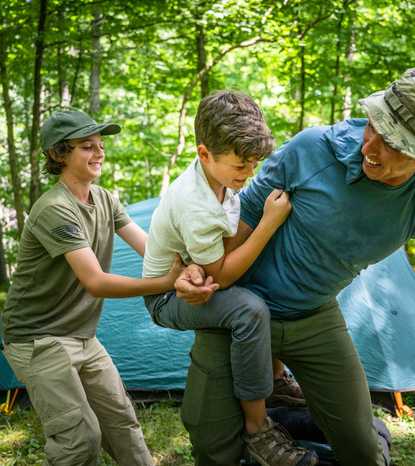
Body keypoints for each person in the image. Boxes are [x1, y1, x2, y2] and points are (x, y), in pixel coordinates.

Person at [175, 66, 415, 465]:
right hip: (239, 313)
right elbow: (232, 234)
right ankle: (270, 408)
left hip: (314, 320)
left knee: (365, 454)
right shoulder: (311, 149)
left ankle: (300, 416)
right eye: (374, 127)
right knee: (215, 452)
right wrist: (192, 269)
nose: (371, 147)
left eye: (394, 145)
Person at [0, 110, 197, 465]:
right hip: (37, 338)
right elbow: (95, 282)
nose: (99, 153)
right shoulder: (54, 209)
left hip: (82, 336)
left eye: (101, 145)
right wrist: (167, 282)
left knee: (122, 423)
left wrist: (192, 263)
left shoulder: (105, 199)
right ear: (58, 154)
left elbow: (153, 247)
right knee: (78, 440)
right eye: (87, 147)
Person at [142, 90, 318, 466]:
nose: (250, 173)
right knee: (248, 310)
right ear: (205, 154)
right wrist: (268, 224)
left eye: (255, 163)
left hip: (197, 273)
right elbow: (219, 274)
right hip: (166, 296)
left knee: (269, 278)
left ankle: (275, 380)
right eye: (242, 165)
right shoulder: (195, 203)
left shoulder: (221, 179)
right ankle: (258, 430)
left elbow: (227, 243)